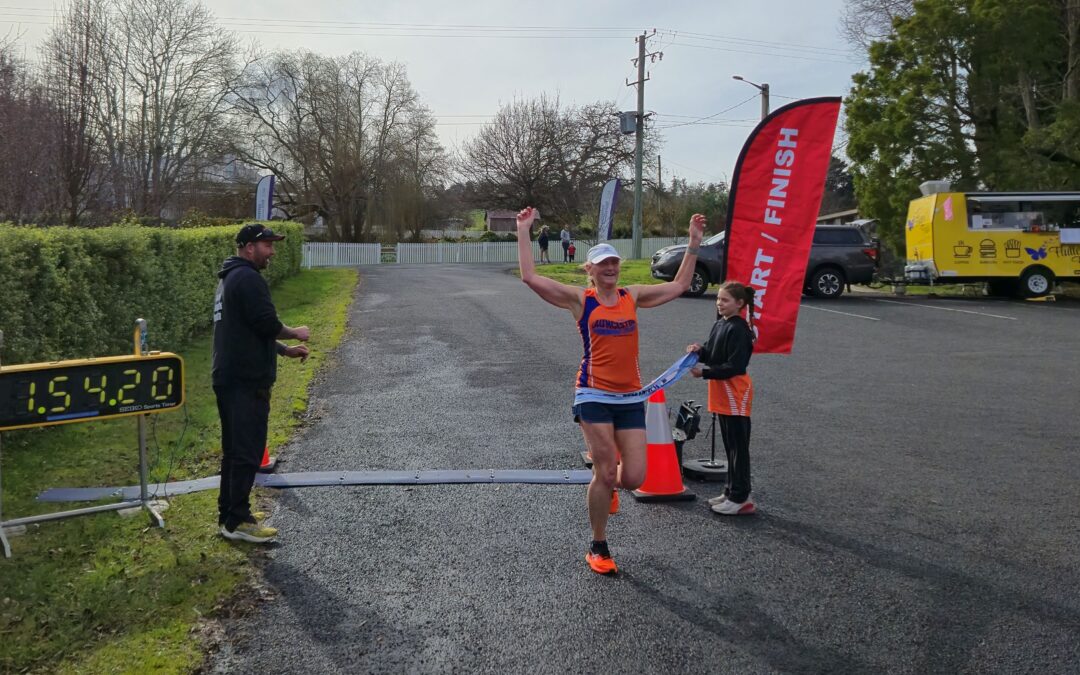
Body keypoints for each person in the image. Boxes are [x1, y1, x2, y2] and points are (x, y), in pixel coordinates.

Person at [516, 206, 705, 574]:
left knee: (634, 477)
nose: (610, 268)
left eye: (614, 263)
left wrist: (694, 243)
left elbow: (679, 286)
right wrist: (524, 230)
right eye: (603, 264)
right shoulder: (580, 300)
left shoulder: (630, 296)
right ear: (590, 270)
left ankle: (608, 484)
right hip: (593, 395)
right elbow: (529, 277)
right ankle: (598, 545)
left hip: (631, 398)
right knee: (605, 471)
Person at [213, 223, 311, 543]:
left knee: (234, 452)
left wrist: (283, 351)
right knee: (246, 452)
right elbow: (267, 323)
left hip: (229, 377)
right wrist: (295, 332)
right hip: (245, 380)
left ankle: (228, 517)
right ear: (249, 247)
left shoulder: (230, 278)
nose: (272, 251)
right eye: (267, 245)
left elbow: (251, 329)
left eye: (273, 245)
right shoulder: (248, 278)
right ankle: (239, 520)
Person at [686, 281, 756, 516]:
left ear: (740, 304)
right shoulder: (721, 324)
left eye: (725, 300)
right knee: (730, 445)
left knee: (738, 447)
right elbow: (713, 353)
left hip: (735, 391)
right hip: (722, 392)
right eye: (718, 299)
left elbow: (735, 365)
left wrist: (704, 372)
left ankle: (741, 496)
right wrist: (699, 350)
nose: (719, 303)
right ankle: (731, 491)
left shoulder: (740, 329)